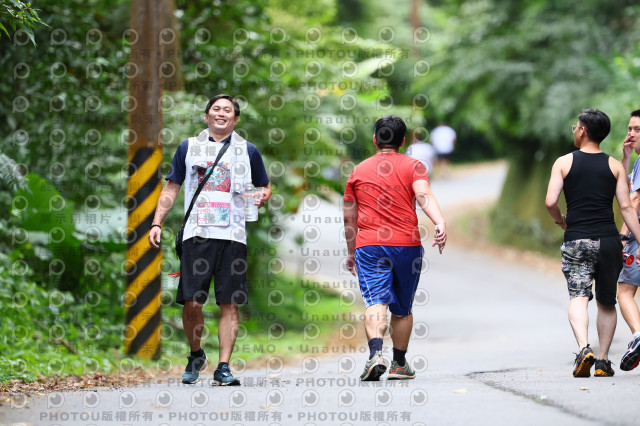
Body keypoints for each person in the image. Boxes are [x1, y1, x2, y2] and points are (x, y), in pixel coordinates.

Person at [148, 94, 271, 385]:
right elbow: (171, 187)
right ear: (207, 117)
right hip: (197, 234)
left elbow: (265, 186)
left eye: (227, 110)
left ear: (235, 119)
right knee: (192, 302)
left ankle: (224, 367)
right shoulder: (188, 147)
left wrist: (263, 196)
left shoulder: (248, 150)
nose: (221, 113)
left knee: (230, 303)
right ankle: (196, 354)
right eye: (216, 109)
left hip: (233, 236)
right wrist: (156, 222)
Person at [343, 115, 447, 381]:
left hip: (369, 245)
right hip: (406, 245)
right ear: (402, 142)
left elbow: (349, 217)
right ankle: (399, 364)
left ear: (375, 139)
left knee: (376, 301)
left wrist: (351, 251)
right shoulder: (414, 166)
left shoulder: (358, 171)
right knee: (402, 308)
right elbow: (423, 195)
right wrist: (439, 221)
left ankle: (375, 354)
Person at [545, 108, 640, 378]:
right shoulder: (614, 166)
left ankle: (584, 348)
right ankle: (603, 361)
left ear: (583, 130)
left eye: (575, 127)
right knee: (606, 301)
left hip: (577, 239)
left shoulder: (563, 163)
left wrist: (561, 221)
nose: (574, 130)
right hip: (609, 241)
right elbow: (627, 208)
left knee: (579, 297)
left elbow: (550, 202)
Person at [617, 109, 640, 372]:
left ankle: (637, 335)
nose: (631, 133)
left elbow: (633, 200)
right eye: (629, 128)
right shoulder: (637, 161)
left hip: (637, 235)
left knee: (624, 291)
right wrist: (625, 158)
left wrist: (624, 236)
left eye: (637, 129)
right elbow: (624, 187)